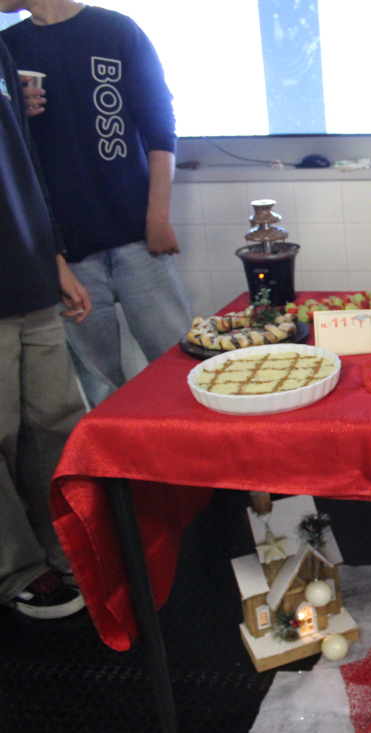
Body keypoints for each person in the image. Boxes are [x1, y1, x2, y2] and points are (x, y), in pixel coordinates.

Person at [1, 0, 192, 407]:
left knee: (182, 370)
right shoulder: (7, 48)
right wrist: (12, 114)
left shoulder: (116, 31)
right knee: (102, 391)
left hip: (139, 242)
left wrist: (158, 217)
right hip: (68, 258)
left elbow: (160, 127)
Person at [0, 35, 90, 618]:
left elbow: (27, 164)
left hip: (30, 272)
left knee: (57, 421)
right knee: (0, 437)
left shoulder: (3, 52)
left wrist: (54, 255)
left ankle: (67, 548)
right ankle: (19, 569)